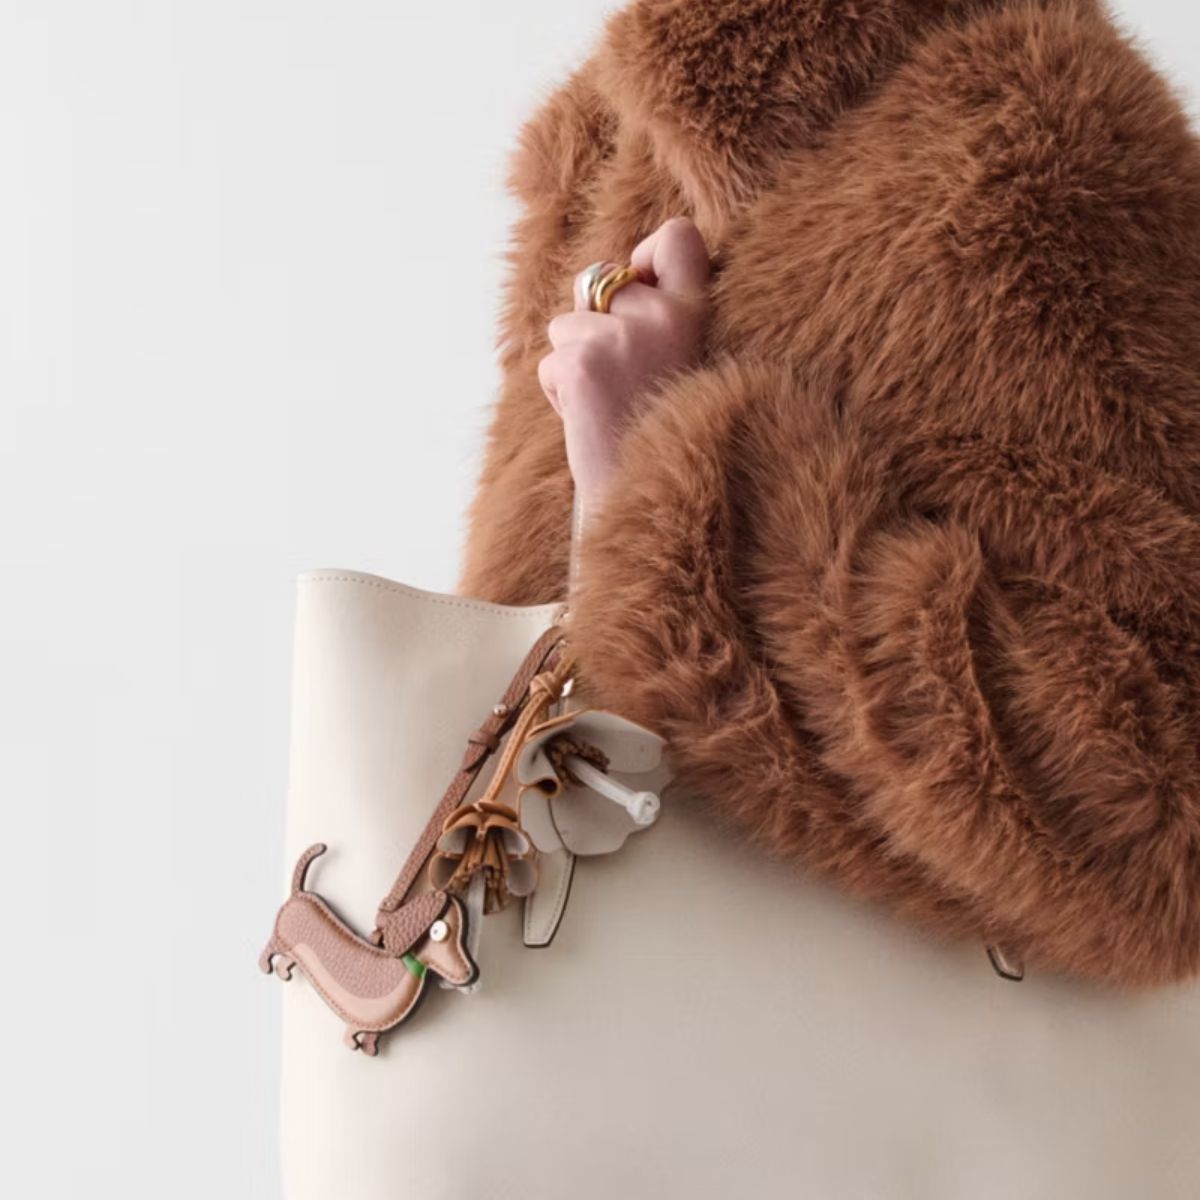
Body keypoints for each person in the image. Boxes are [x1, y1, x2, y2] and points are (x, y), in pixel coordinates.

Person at [462, 0, 1200, 987]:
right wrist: (619, 512)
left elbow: (1159, 815)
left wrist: (676, 478)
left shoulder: (1036, 135)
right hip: (572, 1031)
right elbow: (553, 684)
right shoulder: (599, 140)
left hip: (861, 1070)